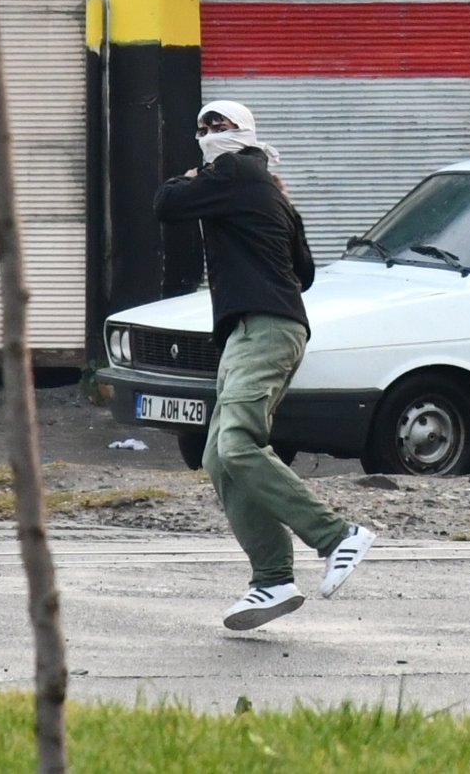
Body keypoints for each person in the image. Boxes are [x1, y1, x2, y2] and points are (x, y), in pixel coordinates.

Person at [154, 100, 372, 630]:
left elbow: (165, 203)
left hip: (264, 328)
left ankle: (337, 535)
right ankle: (272, 580)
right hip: (255, 329)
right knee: (219, 457)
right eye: (202, 125)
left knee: (237, 444)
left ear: (243, 133)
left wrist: (194, 174)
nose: (208, 132)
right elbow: (305, 271)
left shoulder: (232, 170)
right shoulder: (266, 187)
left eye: (218, 125)